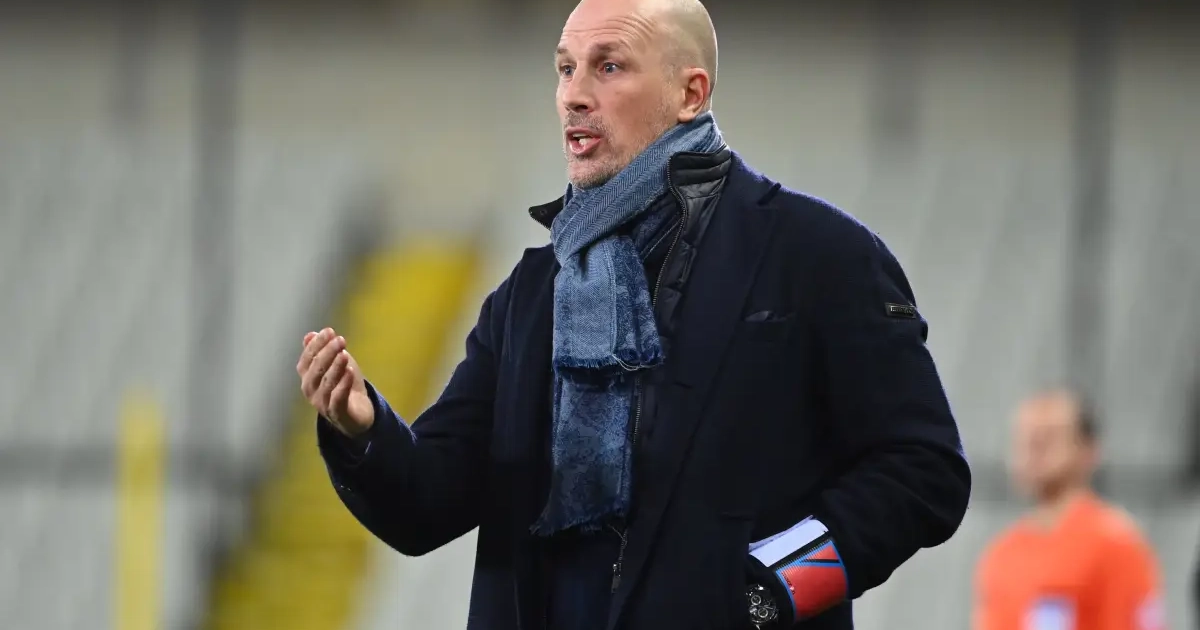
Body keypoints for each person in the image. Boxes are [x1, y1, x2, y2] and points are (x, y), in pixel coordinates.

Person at [297, 0, 970, 627]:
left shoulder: (820, 254)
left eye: (609, 66)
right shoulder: (531, 292)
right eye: (566, 68)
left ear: (690, 94)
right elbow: (429, 504)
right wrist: (362, 429)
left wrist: (769, 590)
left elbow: (922, 471)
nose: (574, 94)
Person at [973, 389, 1166, 630]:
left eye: (1048, 437)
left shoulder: (1115, 543)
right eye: (1024, 439)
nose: (1032, 450)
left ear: (1088, 450)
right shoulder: (1002, 554)